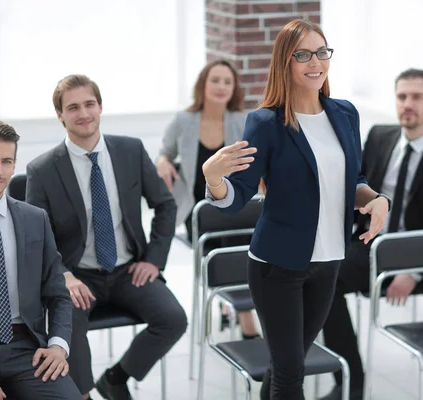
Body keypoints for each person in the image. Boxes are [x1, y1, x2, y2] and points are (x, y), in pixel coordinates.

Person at [202, 20, 391, 400]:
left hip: (329, 261)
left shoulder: (345, 114)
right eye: (302, 54)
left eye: (322, 52)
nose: (315, 62)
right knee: (292, 373)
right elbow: (237, 196)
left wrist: (376, 199)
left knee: (285, 365)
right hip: (277, 267)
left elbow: (352, 179)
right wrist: (213, 177)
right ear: (284, 63)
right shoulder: (266, 123)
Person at [25, 75, 188, 400]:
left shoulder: (130, 150)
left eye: (89, 104)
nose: (83, 113)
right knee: (68, 332)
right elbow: (34, 236)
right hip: (77, 276)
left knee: (173, 319)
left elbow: (165, 205)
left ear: (100, 107)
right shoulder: (41, 170)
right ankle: (82, 395)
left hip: (128, 270)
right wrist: (64, 276)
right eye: (73, 107)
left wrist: (154, 260)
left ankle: (115, 378)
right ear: (60, 115)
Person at [320, 69, 423, 400]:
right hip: (373, 244)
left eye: (416, 97)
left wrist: (412, 271)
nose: (407, 104)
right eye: (402, 96)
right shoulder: (379, 136)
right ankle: (350, 379)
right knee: (323, 276)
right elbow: (353, 189)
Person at [0, 120, 82, 399]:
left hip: (27, 347)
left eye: (6, 161)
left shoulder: (34, 219)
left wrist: (57, 346)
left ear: (14, 166)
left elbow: (58, 294)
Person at [155, 59, 259, 339]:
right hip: (196, 208)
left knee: (234, 235)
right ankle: (245, 319)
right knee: (221, 238)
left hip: (234, 202)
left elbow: (256, 163)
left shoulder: (243, 121)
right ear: (203, 84)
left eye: (227, 81)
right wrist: (163, 162)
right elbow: (164, 152)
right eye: (215, 80)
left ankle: (231, 301)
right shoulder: (183, 121)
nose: (221, 87)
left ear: (234, 88)